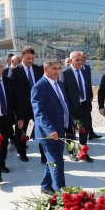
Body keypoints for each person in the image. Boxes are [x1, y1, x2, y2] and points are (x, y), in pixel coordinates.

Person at [32, 58, 72, 194]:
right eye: (54, 69)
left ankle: (45, 186)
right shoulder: (39, 87)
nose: (57, 71)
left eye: (59, 68)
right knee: (57, 162)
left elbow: (64, 105)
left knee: (52, 160)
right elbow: (39, 112)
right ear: (45, 69)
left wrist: (69, 124)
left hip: (60, 130)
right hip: (48, 134)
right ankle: (62, 194)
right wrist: (50, 129)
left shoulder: (58, 84)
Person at [8, 46, 45, 162]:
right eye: (29, 58)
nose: (31, 61)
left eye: (33, 58)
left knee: (42, 129)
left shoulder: (39, 69)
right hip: (21, 109)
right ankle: (22, 153)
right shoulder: (14, 71)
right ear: (22, 56)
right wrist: (17, 115)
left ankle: (44, 155)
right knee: (21, 132)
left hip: (37, 107)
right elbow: (11, 95)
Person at [59, 51, 94, 162]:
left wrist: (90, 98)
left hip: (84, 106)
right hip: (71, 108)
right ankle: (71, 152)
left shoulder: (85, 72)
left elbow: (88, 87)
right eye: (78, 60)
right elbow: (62, 92)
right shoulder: (65, 73)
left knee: (84, 131)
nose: (80, 62)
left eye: (82, 59)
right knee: (70, 132)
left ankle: (83, 152)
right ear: (71, 60)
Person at [82, 52, 101, 140]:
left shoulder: (87, 68)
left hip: (87, 97)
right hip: (78, 100)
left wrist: (91, 94)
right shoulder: (73, 70)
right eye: (82, 57)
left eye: (85, 58)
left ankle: (91, 133)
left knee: (89, 116)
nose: (83, 59)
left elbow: (89, 82)